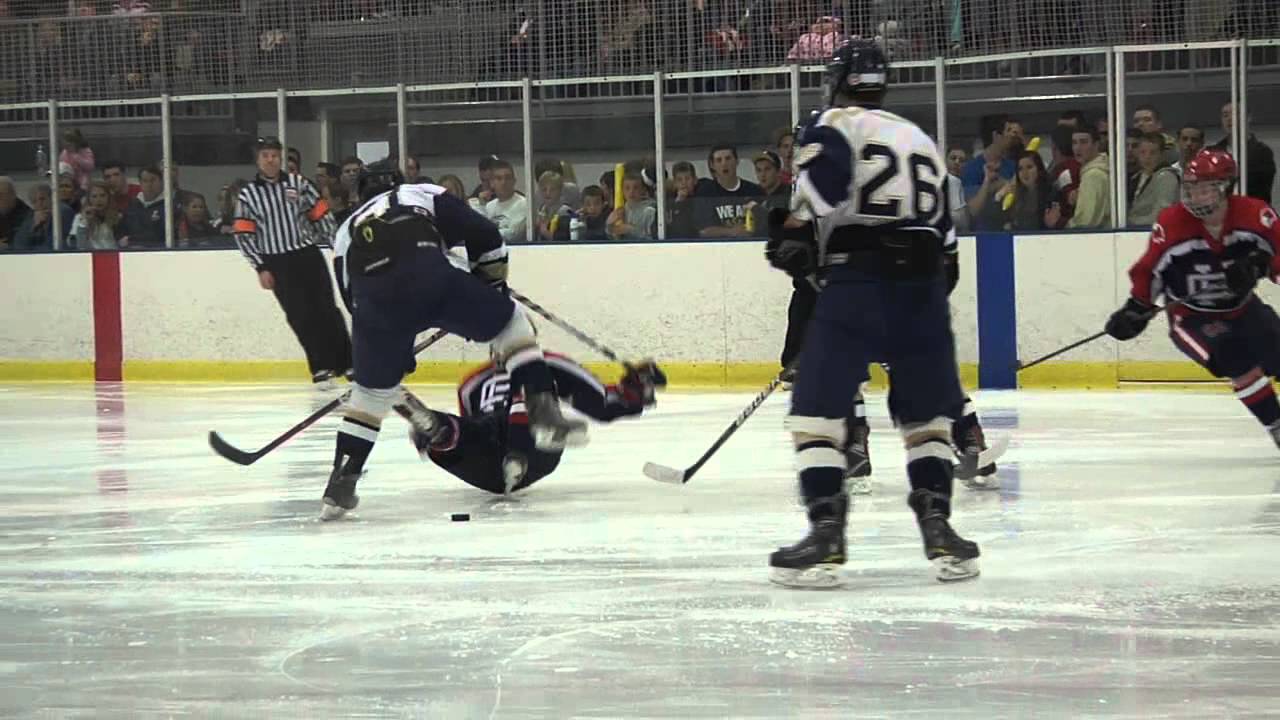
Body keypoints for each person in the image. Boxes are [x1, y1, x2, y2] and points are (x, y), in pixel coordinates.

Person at [765, 40, 980, 588]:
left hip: (860, 280)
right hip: (925, 286)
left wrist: (793, 236)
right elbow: (948, 243)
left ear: (837, 81)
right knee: (925, 415)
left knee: (815, 411)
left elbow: (822, 191)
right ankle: (939, 530)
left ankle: (826, 535)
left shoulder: (834, 122)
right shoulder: (919, 139)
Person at [321, 172, 590, 520]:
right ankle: (542, 412)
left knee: (371, 395)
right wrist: (491, 288)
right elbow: (485, 233)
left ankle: (342, 481)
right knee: (511, 324)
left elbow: (351, 295)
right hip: (431, 274)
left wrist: (390, 354)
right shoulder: (420, 192)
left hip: (374, 303)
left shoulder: (346, 230)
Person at [1107, 148, 1280, 449]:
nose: (1194, 196)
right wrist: (1136, 307)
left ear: (1226, 187)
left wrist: (1262, 264)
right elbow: (1150, 270)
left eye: (1204, 188)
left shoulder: (1256, 215)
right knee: (1233, 356)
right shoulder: (1172, 222)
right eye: (1190, 188)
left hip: (1244, 309)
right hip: (1192, 318)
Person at [399, 353, 665, 495]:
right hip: (505, 458)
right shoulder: (475, 381)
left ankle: (442, 432)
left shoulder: (478, 380)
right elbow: (474, 426)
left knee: (527, 392)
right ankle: (439, 430)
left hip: (527, 450)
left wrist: (637, 390)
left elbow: (602, 404)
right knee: (463, 431)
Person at [233, 137, 352, 387]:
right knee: (299, 316)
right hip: (277, 262)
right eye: (265, 155)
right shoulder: (248, 195)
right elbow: (244, 234)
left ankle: (348, 362)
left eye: (274, 155)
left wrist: (336, 245)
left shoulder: (299, 184)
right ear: (258, 160)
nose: (271, 160)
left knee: (327, 310)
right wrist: (260, 267)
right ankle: (320, 366)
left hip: (306, 254)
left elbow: (321, 215)